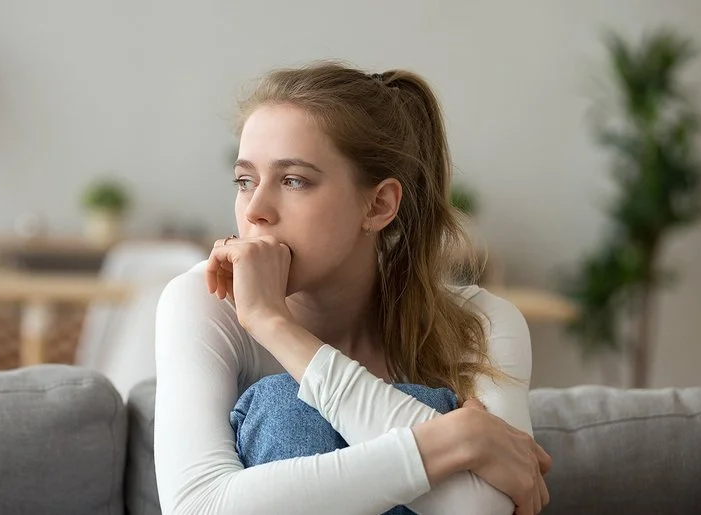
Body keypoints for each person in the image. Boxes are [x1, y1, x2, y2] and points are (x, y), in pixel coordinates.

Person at [154, 61, 552, 515]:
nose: (256, 211)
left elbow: (486, 509)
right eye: (245, 181)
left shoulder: (481, 323)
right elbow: (197, 507)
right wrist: (454, 438)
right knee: (285, 406)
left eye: (293, 180)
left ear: (379, 205)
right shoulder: (203, 303)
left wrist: (280, 329)